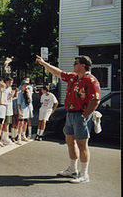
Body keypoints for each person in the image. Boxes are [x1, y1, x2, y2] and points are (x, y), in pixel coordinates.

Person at [36, 55, 101, 183]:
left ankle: (84, 174)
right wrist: (44, 64)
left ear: (83, 65)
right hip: (70, 114)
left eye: (76, 63)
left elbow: (95, 100)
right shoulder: (73, 77)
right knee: (70, 142)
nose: (73, 65)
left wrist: (84, 115)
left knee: (82, 144)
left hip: (80, 115)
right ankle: (72, 169)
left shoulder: (91, 80)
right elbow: (58, 72)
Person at [1, 77, 15, 145]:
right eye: (9, 82)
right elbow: (4, 99)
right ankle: (5, 138)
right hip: (5, 108)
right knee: (5, 123)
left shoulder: (10, 89)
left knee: (8, 123)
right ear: (6, 82)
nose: (10, 84)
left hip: (10, 108)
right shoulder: (4, 89)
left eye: (11, 82)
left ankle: (5, 137)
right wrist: (11, 95)